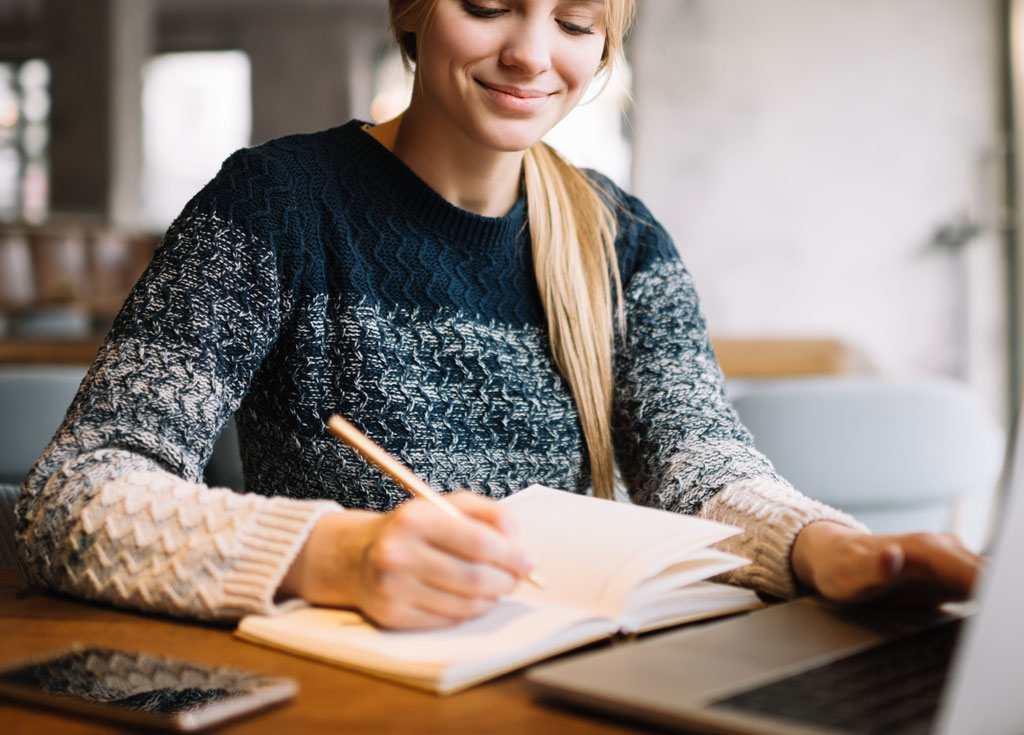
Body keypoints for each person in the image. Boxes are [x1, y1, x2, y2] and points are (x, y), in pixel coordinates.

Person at [16, 0, 980, 629]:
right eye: (488, 6)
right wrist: (333, 553)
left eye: (574, 21)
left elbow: (702, 464)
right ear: (410, 11)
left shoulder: (621, 236)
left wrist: (829, 546)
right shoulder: (276, 203)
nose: (530, 54)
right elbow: (73, 497)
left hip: (566, 684)